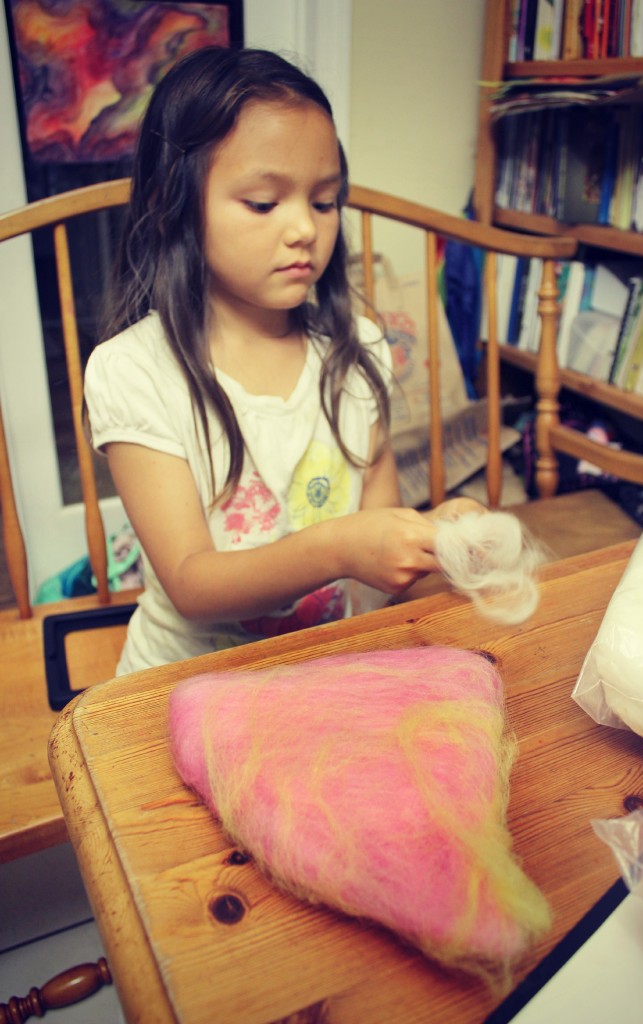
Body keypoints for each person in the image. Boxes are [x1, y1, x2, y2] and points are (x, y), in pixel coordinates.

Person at [85, 46, 479, 674]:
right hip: (186, 683)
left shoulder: (356, 355)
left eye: (324, 202)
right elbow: (192, 584)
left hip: (324, 667)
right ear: (172, 206)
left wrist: (434, 537)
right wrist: (337, 548)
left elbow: (376, 564)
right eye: (265, 204)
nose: (304, 229)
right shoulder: (133, 371)